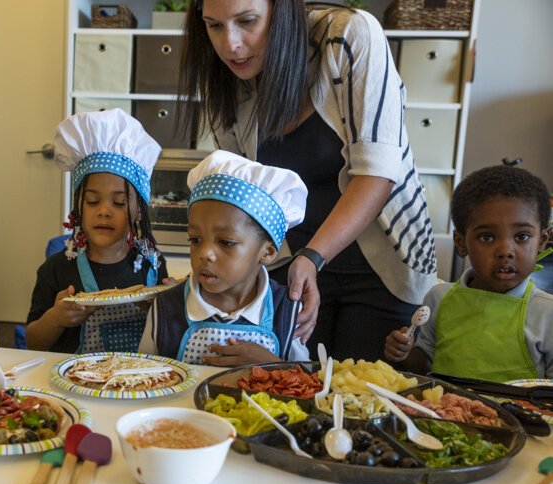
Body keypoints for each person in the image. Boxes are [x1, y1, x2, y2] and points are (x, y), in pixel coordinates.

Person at [176, 1, 437, 362]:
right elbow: (239, 200)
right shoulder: (228, 79)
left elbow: (377, 173)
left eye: (247, 21)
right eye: (214, 26)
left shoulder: (348, 36)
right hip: (292, 263)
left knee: (363, 396)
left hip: (383, 265)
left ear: (281, 12)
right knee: (294, 387)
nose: (230, 45)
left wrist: (313, 257)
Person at [139, 150, 309, 366]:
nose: (205, 254)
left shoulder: (288, 310)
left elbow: (309, 387)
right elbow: (142, 376)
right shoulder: (165, 307)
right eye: (195, 239)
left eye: (226, 242)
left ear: (267, 252)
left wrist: (274, 367)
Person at [384, 165, 553, 381]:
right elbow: (426, 365)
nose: (505, 251)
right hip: (445, 413)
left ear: (542, 241)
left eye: (522, 237)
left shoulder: (547, 313)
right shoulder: (439, 298)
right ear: (461, 243)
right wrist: (405, 354)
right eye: (487, 237)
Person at [25, 109, 168, 353]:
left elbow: (169, 341)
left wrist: (167, 310)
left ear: (138, 211)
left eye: (119, 202)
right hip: (75, 385)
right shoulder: (56, 268)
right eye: (92, 201)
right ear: (78, 207)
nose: (104, 211)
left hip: (139, 385)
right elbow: (33, 341)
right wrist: (55, 319)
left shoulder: (152, 265)